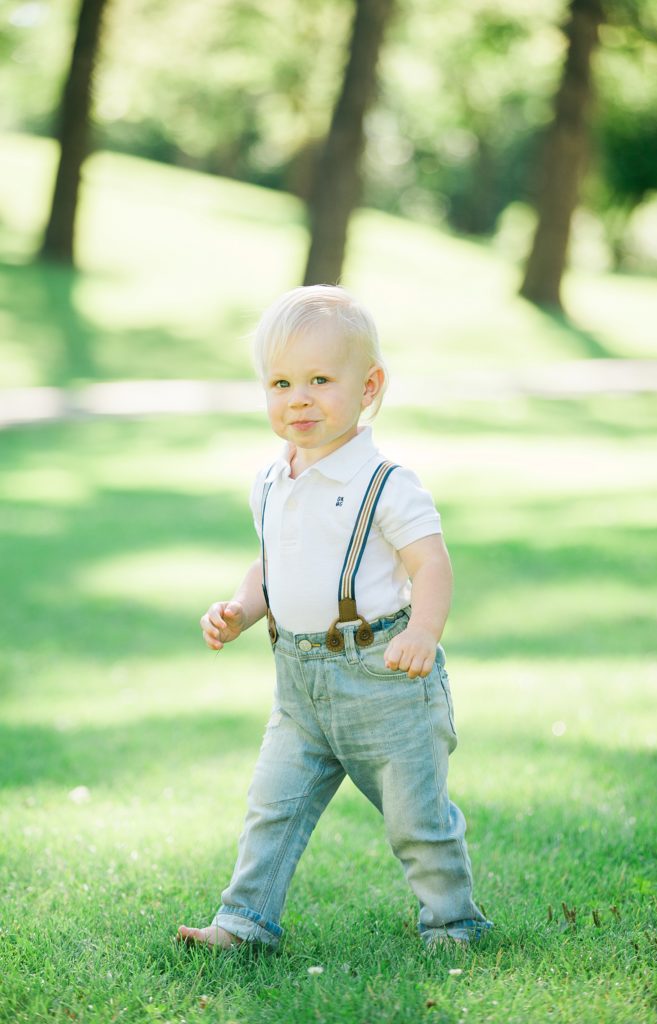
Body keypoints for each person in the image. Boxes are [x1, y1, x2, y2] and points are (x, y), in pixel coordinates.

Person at [176, 285, 491, 952]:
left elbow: (430, 564)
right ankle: (243, 923)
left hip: (384, 681)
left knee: (416, 818)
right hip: (299, 685)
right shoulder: (270, 480)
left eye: (320, 380)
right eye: (280, 382)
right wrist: (239, 610)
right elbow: (270, 566)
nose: (298, 398)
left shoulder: (386, 481)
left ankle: (452, 921)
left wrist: (422, 633)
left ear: (368, 387)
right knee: (273, 807)